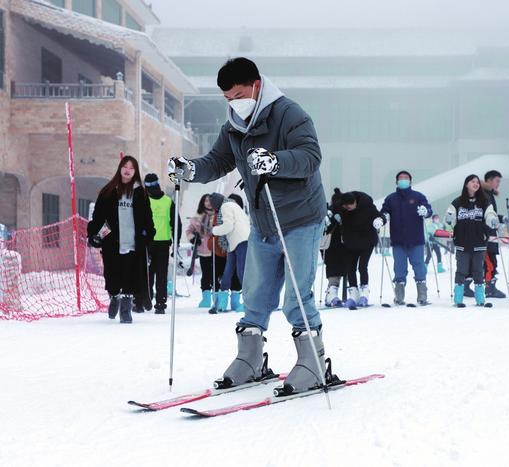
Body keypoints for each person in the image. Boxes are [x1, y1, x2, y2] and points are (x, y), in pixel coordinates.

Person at [168, 57, 329, 395]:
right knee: (255, 294)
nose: (234, 104)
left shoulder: (290, 114)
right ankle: (251, 360)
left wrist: (275, 161)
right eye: (227, 98)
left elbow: (310, 156)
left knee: (297, 295)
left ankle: (314, 363)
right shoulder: (234, 127)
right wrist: (191, 170)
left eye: (238, 95)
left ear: (256, 85)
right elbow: (217, 162)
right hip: (264, 221)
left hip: (300, 217)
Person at [87, 156, 155, 323]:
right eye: (125, 166)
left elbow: (147, 217)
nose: (128, 170)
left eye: (131, 168)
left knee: (130, 276)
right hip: (112, 242)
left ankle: (126, 308)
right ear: (120, 168)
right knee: (111, 275)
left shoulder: (141, 192)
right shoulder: (108, 190)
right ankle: (114, 297)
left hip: (133, 242)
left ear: (135, 171)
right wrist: (93, 233)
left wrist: (148, 234)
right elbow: (98, 216)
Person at [381, 170, 432, 306]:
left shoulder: (418, 196)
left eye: (406, 178)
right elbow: (384, 211)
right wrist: (382, 218)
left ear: (410, 181)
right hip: (398, 240)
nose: (403, 180)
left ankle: (422, 295)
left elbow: (428, 208)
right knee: (399, 268)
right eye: (401, 178)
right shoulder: (391, 198)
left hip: (416, 240)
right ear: (396, 181)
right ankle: (399, 296)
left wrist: (426, 211)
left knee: (419, 266)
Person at [446, 174, 498, 307]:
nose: (476, 184)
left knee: (478, 270)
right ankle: (458, 299)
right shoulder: (457, 202)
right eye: (472, 181)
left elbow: (490, 213)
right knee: (461, 270)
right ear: (466, 184)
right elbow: (450, 216)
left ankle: (480, 299)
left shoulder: (484, 201)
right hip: (462, 242)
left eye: (477, 182)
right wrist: (449, 219)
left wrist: (492, 219)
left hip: (479, 242)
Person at [142, 173, 181, 314]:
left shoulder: (165, 201)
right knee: (157, 274)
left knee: (150, 274)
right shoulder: (167, 201)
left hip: (156, 244)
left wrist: (176, 242)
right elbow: (177, 224)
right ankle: (157, 303)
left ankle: (152, 301)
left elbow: (176, 223)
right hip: (155, 244)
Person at [340, 190, 385, 308]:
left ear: (355, 202)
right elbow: (333, 208)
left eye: (350, 205)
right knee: (350, 268)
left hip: (367, 241)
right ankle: (353, 294)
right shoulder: (343, 208)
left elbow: (379, 215)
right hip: (350, 242)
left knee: (362, 266)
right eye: (346, 206)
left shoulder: (367, 205)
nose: (348, 207)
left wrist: (380, 221)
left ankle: (364, 293)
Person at [210, 193, 250, 313]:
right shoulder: (233, 204)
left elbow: (228, 226)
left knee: (241, 272)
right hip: (235, 241)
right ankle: (220, 302)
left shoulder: (226, 206)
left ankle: (249, 303)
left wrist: (214, 230)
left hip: (240, 240)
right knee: (228, 270)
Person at [185, 194, 225, 309]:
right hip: (203, 249)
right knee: (206, 274)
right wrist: (193, 238)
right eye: (205, 200)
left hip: (216, 249)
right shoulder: (197, 217)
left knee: (216, 274)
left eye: (210, 201)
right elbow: (189, 231)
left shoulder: (219, 215)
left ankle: (217, 297)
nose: (208, 203)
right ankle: (206, 297)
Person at [322, 189, 351, 307]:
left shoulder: (332, 212)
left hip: (335, 248)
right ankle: (331, 294)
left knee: (337, 268)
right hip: (334, 247)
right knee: (337, 268)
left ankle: (332, 293)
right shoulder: (329, 213)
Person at [482, 170, 506, 299]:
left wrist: (502, 218)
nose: (498, 184)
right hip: (486, 234)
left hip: (491, 232)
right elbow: (485, 215)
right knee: (489, 261)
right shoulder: (484, 194)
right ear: (489, 180)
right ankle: (489, 288)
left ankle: (489, 285)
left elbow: (493, 214)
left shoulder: (489, 194)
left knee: (491, 260)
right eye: (497, 181)